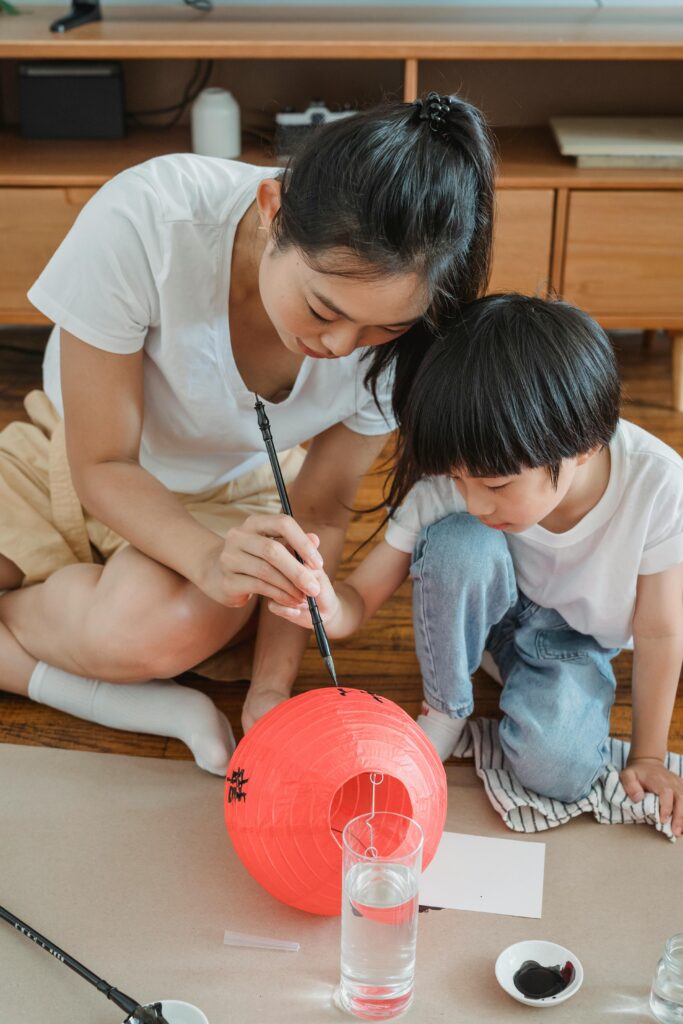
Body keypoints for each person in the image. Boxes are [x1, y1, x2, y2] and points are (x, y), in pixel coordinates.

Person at [0, 94, 496, 773]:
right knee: (133, 619)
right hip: (72, 453)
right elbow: (103, 461)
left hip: (235, 492)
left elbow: (318, 510)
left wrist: (269, 690)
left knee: (152, 630)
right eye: (324, 307)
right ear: (272, 209)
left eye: (383, 327)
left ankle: (101, 662)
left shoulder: (403, 348)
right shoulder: (148, 217)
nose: (341, 345)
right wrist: (203, 562)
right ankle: (139, 700)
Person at [270, 294, 683, 834]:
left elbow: (659, 633)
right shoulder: (462, 479)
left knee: (559, 770)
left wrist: (649, 755)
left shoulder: (657, 484)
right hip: (490, 618)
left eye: (494, 485)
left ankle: (527, 695)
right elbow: (359, 600)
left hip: (575, 642)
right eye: (459, 480)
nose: (474, 501)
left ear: (583, 446)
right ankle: (446, 710)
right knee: (460, 542)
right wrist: (320, 601)